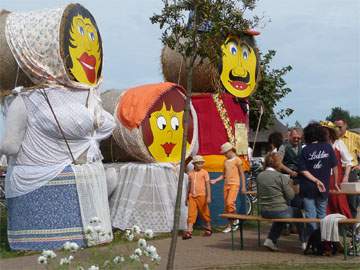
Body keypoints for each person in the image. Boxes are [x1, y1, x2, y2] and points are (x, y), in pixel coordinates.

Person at [257, 152, 306, 251]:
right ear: (278, 164)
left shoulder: (260, 176)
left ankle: (270, 240)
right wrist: (292, 187)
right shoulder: (280, 177)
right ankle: (304, 241)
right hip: (278, 210)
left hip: (264, 210)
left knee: (281, 217)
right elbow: (291, 196)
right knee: (297, 212)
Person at [298, 122, 338, 239]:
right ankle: (323, 240)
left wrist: (315, 180)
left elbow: (303, 170)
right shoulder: (328, 147)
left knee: (311, 217)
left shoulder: (305, 150)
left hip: (308, 188)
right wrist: (335, 182)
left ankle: (313, 240)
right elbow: (335, 166)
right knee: (322, 216)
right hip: (323, 187)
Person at [211, 142, 246, 233]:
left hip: (235, 184)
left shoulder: (237, 160)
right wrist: (215, 180)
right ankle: (230, 225)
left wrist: (243, 186)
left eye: (225, 153)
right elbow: (223, 175)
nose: (224, 155)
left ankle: (235, 219)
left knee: (230, 202)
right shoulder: (225, 162)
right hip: (226, 184)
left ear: (230, 151)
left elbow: (242, 174)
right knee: (227, 205)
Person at [321, 123, 352, 217]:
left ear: (330, 132)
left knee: (339, 203)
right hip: (323, 179)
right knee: (326, 206)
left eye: (325, 130)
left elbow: (348, 162)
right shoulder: (319, 145)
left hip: (337, 179)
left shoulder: (339, 143)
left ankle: (348, 227)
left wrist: (346, 177)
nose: (323, 133)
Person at [334, 119, 360, 218]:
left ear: (346, 126)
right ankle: (343, 225)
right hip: (336, 172)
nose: (338, 129)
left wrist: (359, 166)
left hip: (351, 171)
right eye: (336, 127)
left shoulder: (355, 137)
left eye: (340, 127)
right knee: (338, 199)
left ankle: (352, 225)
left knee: (351, 199)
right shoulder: (333, 138)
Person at [183, 155, 212, 239]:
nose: (200, 165)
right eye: (198, 163)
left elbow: (207, 185)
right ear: (194, 164)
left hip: (201, 195)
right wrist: (186, 196)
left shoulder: (204, 173)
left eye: (201, 163)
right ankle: (189, 231)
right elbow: (189, 185)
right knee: (191, 213)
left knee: (204, 212)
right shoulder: (191, 173)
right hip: (192, 196)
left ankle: (208, 228)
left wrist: (208, 196)